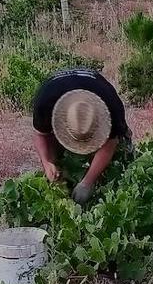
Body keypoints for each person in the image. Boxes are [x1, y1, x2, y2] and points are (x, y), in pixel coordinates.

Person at [31, 68, 130, 205]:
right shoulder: (45, 102)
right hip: (56, 96)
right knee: (56, 167)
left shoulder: (111, 108)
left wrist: (88, 182)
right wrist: (47, 163)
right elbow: (40, 135)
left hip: (100, 95)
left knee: (119, 163)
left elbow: (110, 143)